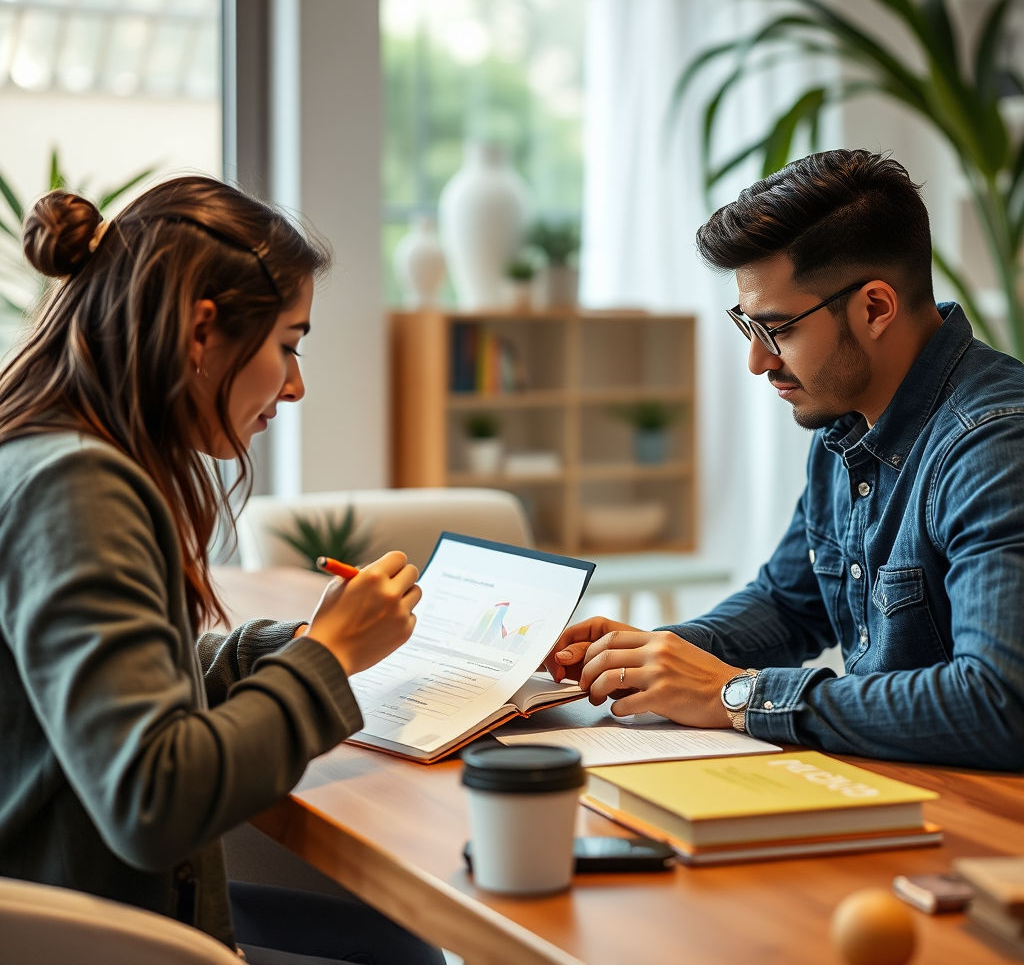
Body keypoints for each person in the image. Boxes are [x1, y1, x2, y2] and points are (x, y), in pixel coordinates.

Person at [0, 177, 445, 964]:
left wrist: (294, 642)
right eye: (288, 345)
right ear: (203, 332)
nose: (296, 384)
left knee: (397, 949)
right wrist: (329, 657)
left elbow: (122, 685)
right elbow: (154, 800)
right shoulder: (78, 486)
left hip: (71, 895)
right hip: (85, 929)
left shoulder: (45, 453)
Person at [546, 148, 1024, 771]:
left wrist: (734, 696)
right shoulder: (848, 420)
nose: (759, 361)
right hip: (892, 790)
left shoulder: (995, 444)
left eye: (779, 329)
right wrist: (657, 652)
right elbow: (788, 603)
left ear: (875, 307)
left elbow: (998, 703)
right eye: (748, 326)